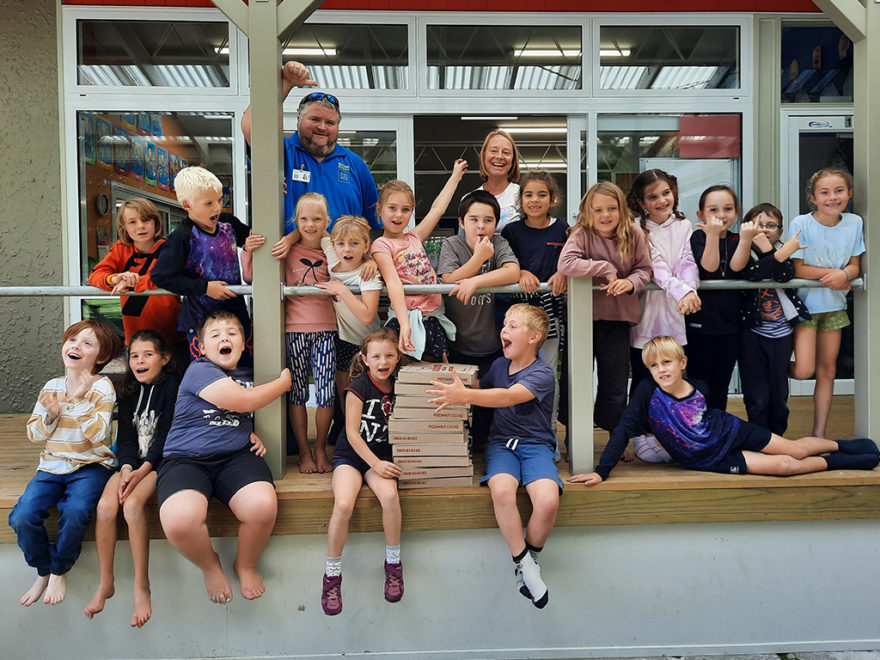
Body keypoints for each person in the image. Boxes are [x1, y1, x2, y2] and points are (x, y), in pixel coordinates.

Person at [568, 335, 879, 485]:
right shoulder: (646, 394)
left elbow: (708, 413)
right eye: (654, 365)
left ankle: (848, 446)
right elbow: (623, 431)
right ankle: (838, 461)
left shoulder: (700, 387)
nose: (661, 370)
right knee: (784, 466)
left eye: (667, 362)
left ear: (681, 363)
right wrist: (601, 471)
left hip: (732, 430)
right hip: (708, 458)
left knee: (795, 450)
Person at [428, 304, 561, 609]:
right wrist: (454, 380)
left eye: (512, 326)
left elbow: (507, 397)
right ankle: (525, 565)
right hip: (501, 444)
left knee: (548, 501)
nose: (504, 330)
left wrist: (466, 396)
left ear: (534, 337)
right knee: (502, 491)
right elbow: (482, 388)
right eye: (504, 324)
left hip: (536, 445)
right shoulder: (500, 366)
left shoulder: (541, 373)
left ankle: (529, 560)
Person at [156, 310, 291, 604]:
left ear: (244, 343)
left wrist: (251, 429)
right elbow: (245, 400)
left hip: (235, 455)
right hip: (187, 458)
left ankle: (244, 563)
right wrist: (283, 383)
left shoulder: (250, 372)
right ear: (201, 347)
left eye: (232, 333)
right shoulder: (199, 369)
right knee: (180, 519)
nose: (225, 338)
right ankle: (209, 565)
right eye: (215, 335)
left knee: (261, 507)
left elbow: (242, 408)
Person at [9, 320, 122, 607]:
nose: (76, 346)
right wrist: (52, 415)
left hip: (91, 466)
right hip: (52, 465)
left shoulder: (103, 387)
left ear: (101, 357)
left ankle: (60, 569)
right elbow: (34, 433)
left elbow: (98, 437)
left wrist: (81, 401)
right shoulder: (52, 386)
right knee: (21, 516)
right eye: (72, 339)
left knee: (75, 510)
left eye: (87, 343)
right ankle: (44, 569)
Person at [84, 330, 180, 627]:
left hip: (158, 463)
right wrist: (126, 468)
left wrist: (143, 469)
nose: (139, 361)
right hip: (130, 463)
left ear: (164, 359)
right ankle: (106, 582)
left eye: (148, 355)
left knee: (132, 506)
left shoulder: (173, 387)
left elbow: (166, 436)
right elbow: (125, 435)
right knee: (105, 508)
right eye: (134, 356)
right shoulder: (126, 389)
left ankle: (141, 586)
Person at [245, 192, 337, 473]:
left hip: (326, 329)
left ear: (327, 221)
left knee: (326, 393)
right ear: (295, 221)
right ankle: (305, 452)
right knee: (297, 394)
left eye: (317, 218)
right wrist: (248, 250)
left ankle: (320, 446)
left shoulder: (331, 248)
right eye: (304, 219)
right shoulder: (287, 249)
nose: (310, 224)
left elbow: (352, 263)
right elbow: (251, 277)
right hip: (293, 330)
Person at [241, 61, 380, 237]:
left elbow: (374, 225)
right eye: (315, 119)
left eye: (330, 122)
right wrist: (285, 85)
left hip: (344, 262)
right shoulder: (282, 152)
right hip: (290, 261)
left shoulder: (356, 164)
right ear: (299, 119)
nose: (322, 127)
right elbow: (250, 126)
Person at [322, 327, 404, 616]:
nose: (383, 361)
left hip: (380, 456)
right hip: (352, 456)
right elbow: (353, 434)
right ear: (365, 359)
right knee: (344, 503)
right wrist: (375, 464)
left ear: (397, 357)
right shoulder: (358, 386)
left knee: (390, 497)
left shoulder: (400, 385)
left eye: (389, 355)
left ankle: (393, 563)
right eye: (377, 356)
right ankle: (332, 574)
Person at [557, 181, 652, 432]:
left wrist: (630, 282)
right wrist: (604, 268)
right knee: (575, 378)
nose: (605, 215)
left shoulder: (634, 232)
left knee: (615, 379)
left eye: (611, 208)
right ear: (588, 212)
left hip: (617, 318)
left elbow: (645, 269)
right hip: (581, 317)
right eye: (598, 210)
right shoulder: (581, 233)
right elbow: (566, 264)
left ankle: (614, 434)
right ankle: (573, 434)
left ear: (621, 209)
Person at [624, 169, 700, 462]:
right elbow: (657, 268)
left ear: (674, 193)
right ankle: (642, 435)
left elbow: (687, 262)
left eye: (665, 193)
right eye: (652, 196)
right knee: (644, 377)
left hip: (676, 313)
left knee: (672, 376)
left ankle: (672, 431)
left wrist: (690, 291)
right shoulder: (636, 227)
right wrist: (684, 293)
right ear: (642, 201)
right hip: (646, 314)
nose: (661, 200)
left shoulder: (684, 225)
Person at [152, 166, 258, 367]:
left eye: (219, 200)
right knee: (206, 375)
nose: (217, 208)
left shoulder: (229, 223)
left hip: (236, 317)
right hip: (200, 322)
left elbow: (252, 237)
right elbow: (161, 276)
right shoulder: (182, 236)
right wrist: (205, 288)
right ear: (187, 205)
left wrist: (249, 244)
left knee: (244, 372)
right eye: (209, 203)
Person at [438, 189, 520, 447]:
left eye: (488, 220)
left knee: (485, 398)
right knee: (457, 402)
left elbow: (513, 272)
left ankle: (482, 445)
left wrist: (475, 281)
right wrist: (478, 259)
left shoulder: (499, 243)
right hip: (456, 344)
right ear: (461, 223)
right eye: (473, 219)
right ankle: (458, 446)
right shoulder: (452, 244)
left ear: (496, 223)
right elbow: (449, 279)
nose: (481, 226)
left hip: (490, 345)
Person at [788, 169, 865, 438]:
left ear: (850, 194)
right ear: (813, 198)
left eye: (839, 191)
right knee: (803, 369)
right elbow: (797, 269)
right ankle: (771, 368)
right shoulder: (802, 223)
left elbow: (855, 265)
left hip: (835, 306)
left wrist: (844, 275)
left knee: (827, 371)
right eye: (825, 192)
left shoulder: (855, 222)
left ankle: (819, 433)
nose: (833, 197)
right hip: (806, 308)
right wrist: (832, 275)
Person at [371, 159, 469, 360]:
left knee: (434, 374)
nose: (399, 215)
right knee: (406, 376)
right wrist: (405, 322)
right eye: (392, 208)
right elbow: (393, 282)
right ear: (379, 209)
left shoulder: (414, 237)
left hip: (432, 319)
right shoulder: (382, 245)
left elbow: (437, 210)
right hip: (405, 319)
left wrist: (455, 178)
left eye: (406, 210)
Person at [501, 171, 568, 437]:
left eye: (542, 194)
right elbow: (504, 264)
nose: (535, 200)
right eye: (528, 194)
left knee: (549, 374)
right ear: (520, 199)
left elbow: (572, 260)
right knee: (518, 372)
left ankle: (547, 433)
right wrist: (519, 272)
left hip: (551, 316)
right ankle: (517, 431)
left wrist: (564, 271)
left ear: (552, 199)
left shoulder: (563, 229)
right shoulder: (511, 231)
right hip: (518, 317)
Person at [739, 203, 810, 435]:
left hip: (781, 333)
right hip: (751, 333)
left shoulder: (784, 250)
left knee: (778, 393)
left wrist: (773, 252)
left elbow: (784, 275)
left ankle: (777, 436)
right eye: (759, 225)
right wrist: (768, 252)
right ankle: (760, 438)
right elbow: (753, 273)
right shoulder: (743, 252)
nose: (765, 230)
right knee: (756, 394)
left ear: (780, 232)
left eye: (771, 226)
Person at [685, 185, 752, 412]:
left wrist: (745, 240)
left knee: (720, 386)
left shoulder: (738, 239)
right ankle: (697, 435)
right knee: (698, 384)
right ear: (701, 215)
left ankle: (718, 434)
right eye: (713, 210)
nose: (721, 215)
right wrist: (712, 236)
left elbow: (737, 267)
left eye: (728, 209)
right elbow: (709, 268)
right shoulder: (697, 238)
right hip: (699, 327)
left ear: (737, 212)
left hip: (730, 326)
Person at [88, 198, 183, 356]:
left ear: (156, 221)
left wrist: (134, 282)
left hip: (172, 338)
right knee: (137, 379)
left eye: (146, 220)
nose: (140, 226)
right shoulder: (121, 248)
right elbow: (95, 275)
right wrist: (115, 279)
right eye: (132, 222)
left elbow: (168, 276)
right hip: (135, 340)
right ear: (124, 227)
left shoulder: (169, 248)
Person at [474, 129, 522, 233]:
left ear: (513, 161)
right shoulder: (470, 199)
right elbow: (462, 244)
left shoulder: (523, 195)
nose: (499, 156)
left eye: (506, 152)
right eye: (493, 151)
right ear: (484, 156)